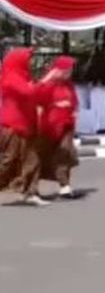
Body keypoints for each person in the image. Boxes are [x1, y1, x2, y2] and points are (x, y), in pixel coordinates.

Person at [0, 48, 55, 206]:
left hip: (28, 126)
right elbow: (29, 92)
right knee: (8, 162)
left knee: (33, 160)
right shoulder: (11, 77)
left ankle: (31, 192)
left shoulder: (24, 77)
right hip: (13, 127)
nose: (29, 63)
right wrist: (47, 79)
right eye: (27, 59)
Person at [36, 56, 79, 198]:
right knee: (43, 155)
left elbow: (74, 101)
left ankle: (64, 185)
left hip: (66, 123)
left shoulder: (69, 85)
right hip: (49, 125)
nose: (70, 72)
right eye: (67, 69)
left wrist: (72, 110)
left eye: (71, 69)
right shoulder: (49, 84)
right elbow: (36, 96)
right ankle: (33, 186)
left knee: (65, 152)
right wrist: (47, 79)